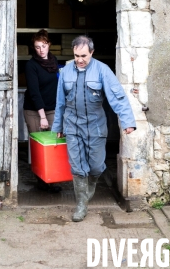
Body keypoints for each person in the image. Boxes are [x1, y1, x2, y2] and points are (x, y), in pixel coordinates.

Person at [52, 35, 136, 221]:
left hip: (96, 126)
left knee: (96, 167)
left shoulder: (102, 70)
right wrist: (58, 126)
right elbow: (60, 102)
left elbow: (118, 97)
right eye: (76, 56)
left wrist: (128, 121)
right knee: (77, 167)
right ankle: (81, 204)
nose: (80, 60)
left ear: (91, 52)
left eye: (84, 56)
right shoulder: (65, 72)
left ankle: (91, 185)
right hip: (73, 125)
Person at [23, 29, 62, 193]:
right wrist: (42, 117)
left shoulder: (54, 62)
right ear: (34, 48)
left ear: (49, 45)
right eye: (37, 47)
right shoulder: (31, 65)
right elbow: (34, 92)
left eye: (44, 46)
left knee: (53, 144)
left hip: (52, 108)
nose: (41, 50)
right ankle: (41, 181)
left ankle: (51, 178)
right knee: (39, 146)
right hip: (34, 110)